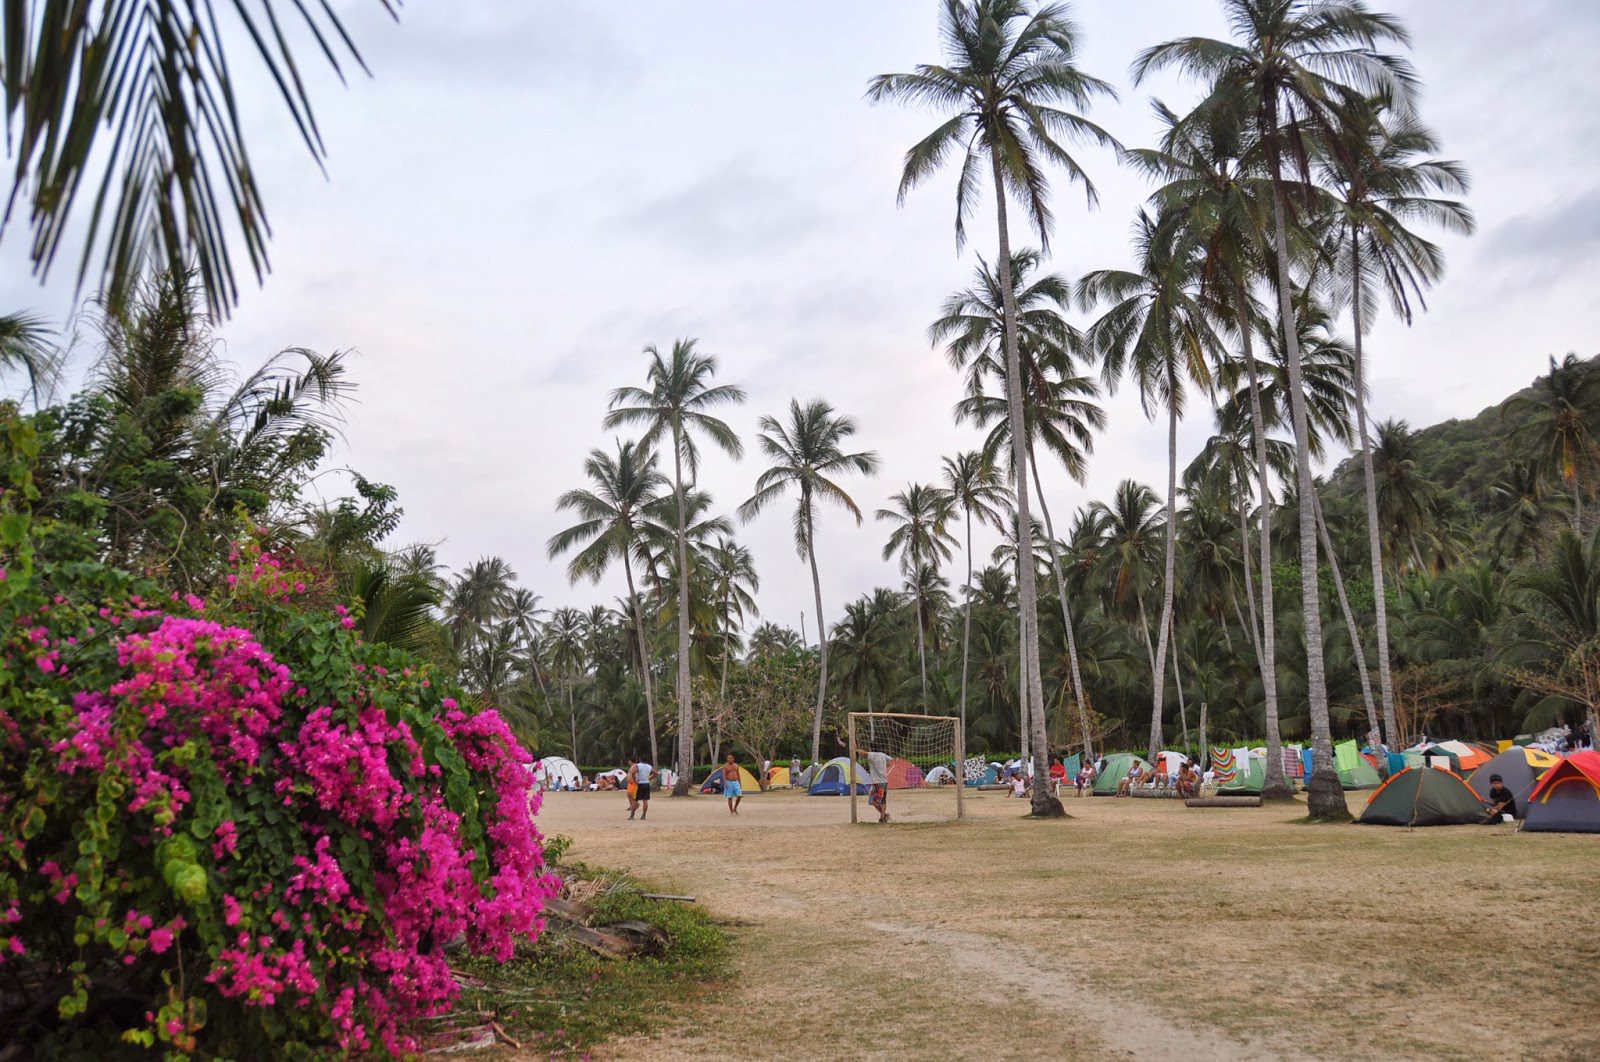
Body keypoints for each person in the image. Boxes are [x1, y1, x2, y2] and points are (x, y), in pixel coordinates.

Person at [864, 748, 891, 823]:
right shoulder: (883, 755)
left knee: (873, 801)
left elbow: (864, 753)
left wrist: (855, 749)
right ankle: (883, 817)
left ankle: (883, 817)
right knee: (882, 801)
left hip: (878, 783)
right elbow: (890, 761)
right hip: (884, 782)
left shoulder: (872, 755)